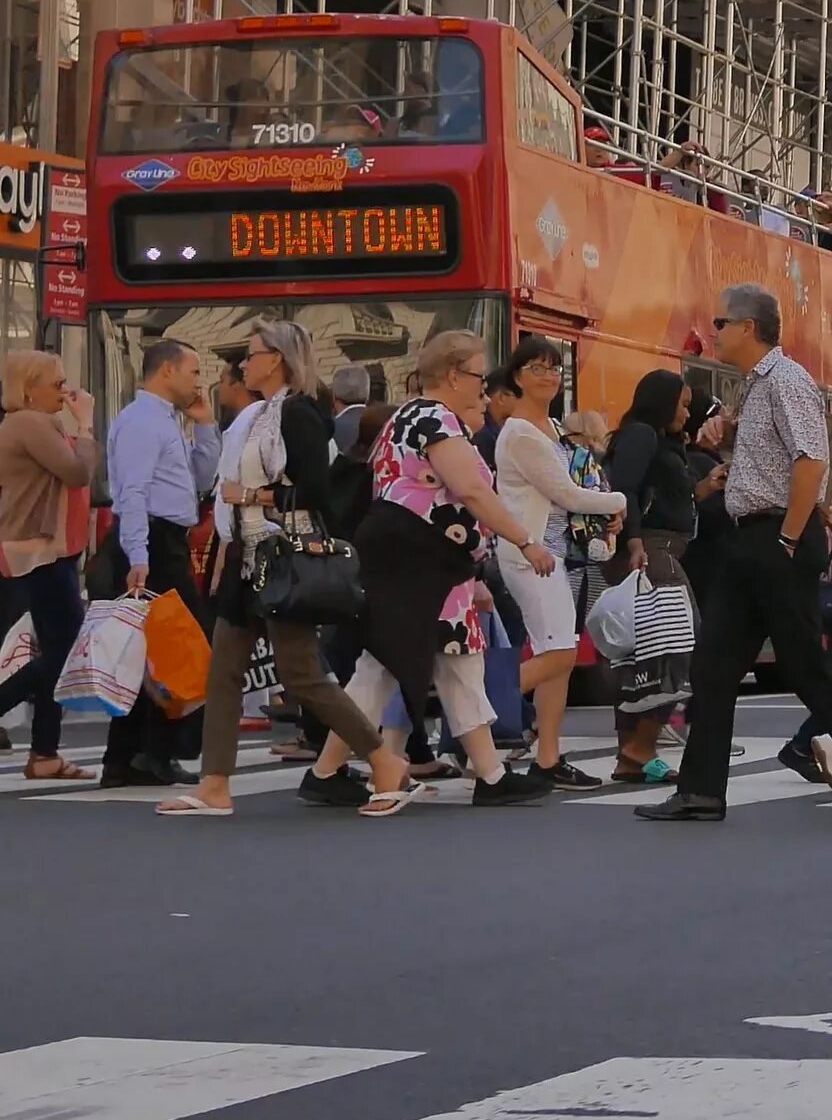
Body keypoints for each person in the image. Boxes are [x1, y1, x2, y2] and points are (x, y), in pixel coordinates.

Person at [637, 284, 832, 823]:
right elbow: (778, 457)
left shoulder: (786, 380)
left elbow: (811, 461)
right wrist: (731, 454)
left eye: (720, 323)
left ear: (747, 327)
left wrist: (788, 537)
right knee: (716, 663)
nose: (713, 331)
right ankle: (701, 789)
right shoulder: (759, 386)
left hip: (777, 538)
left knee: (806, 665)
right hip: (754, 537)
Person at [299, 330, 561, 814]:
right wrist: (525, 539)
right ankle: (332, 771)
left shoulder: (405, 416)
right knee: (395, 664)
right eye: (480, 377)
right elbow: (471, 491)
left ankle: (486, 774)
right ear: (455, 374)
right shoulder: (434, 419)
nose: (484, 388)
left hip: (421, 561)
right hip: (423, 562)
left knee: (434, 660)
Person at [163, 322, 395, 816]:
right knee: (223, 670)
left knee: (301, 673)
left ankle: (381, 757)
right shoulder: (262, 414)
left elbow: (316, 492)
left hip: (280, 555)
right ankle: (215, 782)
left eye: (251, 355)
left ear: (279, 359)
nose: (243, 364)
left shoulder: (299, 413)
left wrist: (247, 496)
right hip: (248, 556)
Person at [485, 337, 630, 790]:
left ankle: (548, 757)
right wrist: (619, 500)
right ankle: (473, 711)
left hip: (555, 554)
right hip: (529, 554)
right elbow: (564, 493)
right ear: (517, 376)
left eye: (554, 368)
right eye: (537, 368)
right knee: (560, 654)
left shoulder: (546, 425)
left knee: (560, 656)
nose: (549, 376)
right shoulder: (521, 432)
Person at [94, 339, 222, 787]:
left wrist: (205, 427)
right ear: (166, 371)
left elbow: (200, 481)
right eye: (192, 371)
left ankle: (129, 757)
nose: (198, 381)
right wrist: (138, 554)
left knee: (149, 652)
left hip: (167, 539)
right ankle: (154, 751)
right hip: (149, 540)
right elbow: (133, 492)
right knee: (180, 648)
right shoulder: (142, 421)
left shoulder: (169, 421)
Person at [600, 371, 701, 784]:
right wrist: (636, 540)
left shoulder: (655, 438)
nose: (687, 412)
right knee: (674, 643)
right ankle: (639, 747)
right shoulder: (641, 434)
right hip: (651, 551)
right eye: (682, 403)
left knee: (644, 651)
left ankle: (633, 754)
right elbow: (624, 489)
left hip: (657, 548)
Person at [0, 351, 97, 781]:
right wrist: (88, 424)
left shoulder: (42, 423)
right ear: (29, 388)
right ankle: (43, 752)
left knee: (60, 648)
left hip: (47, 549)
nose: (66, 390)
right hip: (35, 551)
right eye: (56, 383)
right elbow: (77, 473)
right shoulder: (27, 423)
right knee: (63, 647)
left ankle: (45, 752)